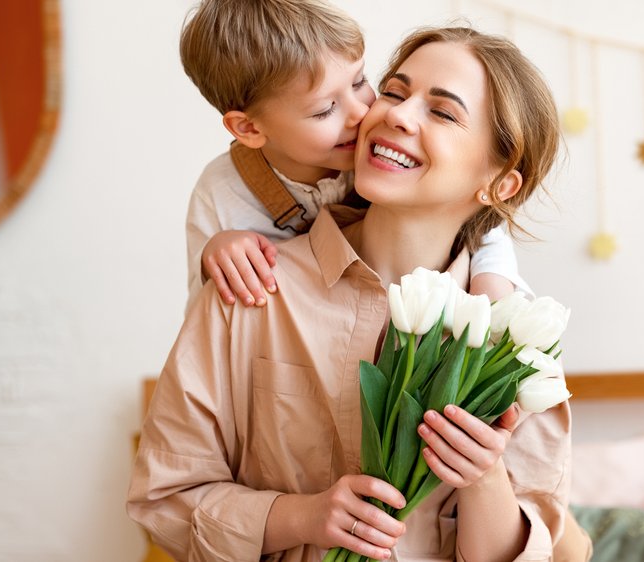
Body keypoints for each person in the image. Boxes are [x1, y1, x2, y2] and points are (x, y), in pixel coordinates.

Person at [130, 25, 590, 561]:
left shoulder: (518, 346)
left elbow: (545, 549)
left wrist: (483, 478)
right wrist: (300, 516)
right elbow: (163, 501)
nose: (394, 113)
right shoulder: (250, 291)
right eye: (393, 91)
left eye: (442, 112)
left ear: (499, 184)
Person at [179, 0, 529, 310]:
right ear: (249, 129)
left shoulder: (374, 153)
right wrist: (216, 252)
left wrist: (493, 276)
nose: (360, 113)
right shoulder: (221, 192)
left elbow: (477, 220)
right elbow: (207, 321)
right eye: (324, 109)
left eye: (360, 82)